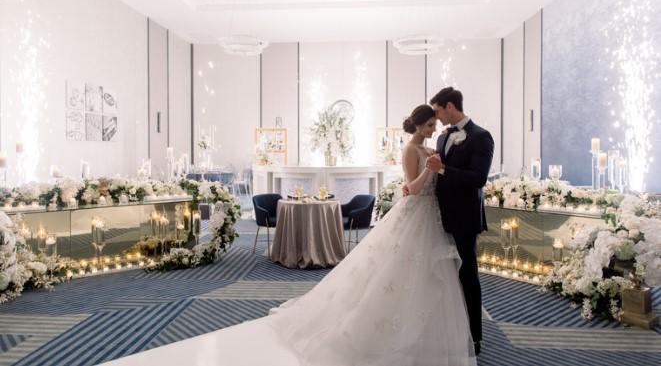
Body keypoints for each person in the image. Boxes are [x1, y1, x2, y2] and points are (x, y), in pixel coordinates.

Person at [102, 104, 476, 366]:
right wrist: (429, 170)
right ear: (421, 124)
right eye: (431, 125)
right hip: (414, 212)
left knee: (427, 276)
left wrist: (438, 167)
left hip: (432, 218)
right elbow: (410, 189)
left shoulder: (431, 147)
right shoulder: (411, 150)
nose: (435, 129)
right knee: (395, 272)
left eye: (436, 125)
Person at [425, 87, 495, 356]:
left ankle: (474, 337)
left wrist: (443, 168)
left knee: (467, 275)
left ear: (450, 107)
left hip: (465, 217)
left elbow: (478, 178)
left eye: (437, 111)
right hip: (438, 216)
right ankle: (448, 330)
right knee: (443, 274)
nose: (436, 116)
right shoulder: (443, 137)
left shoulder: (481, 136)